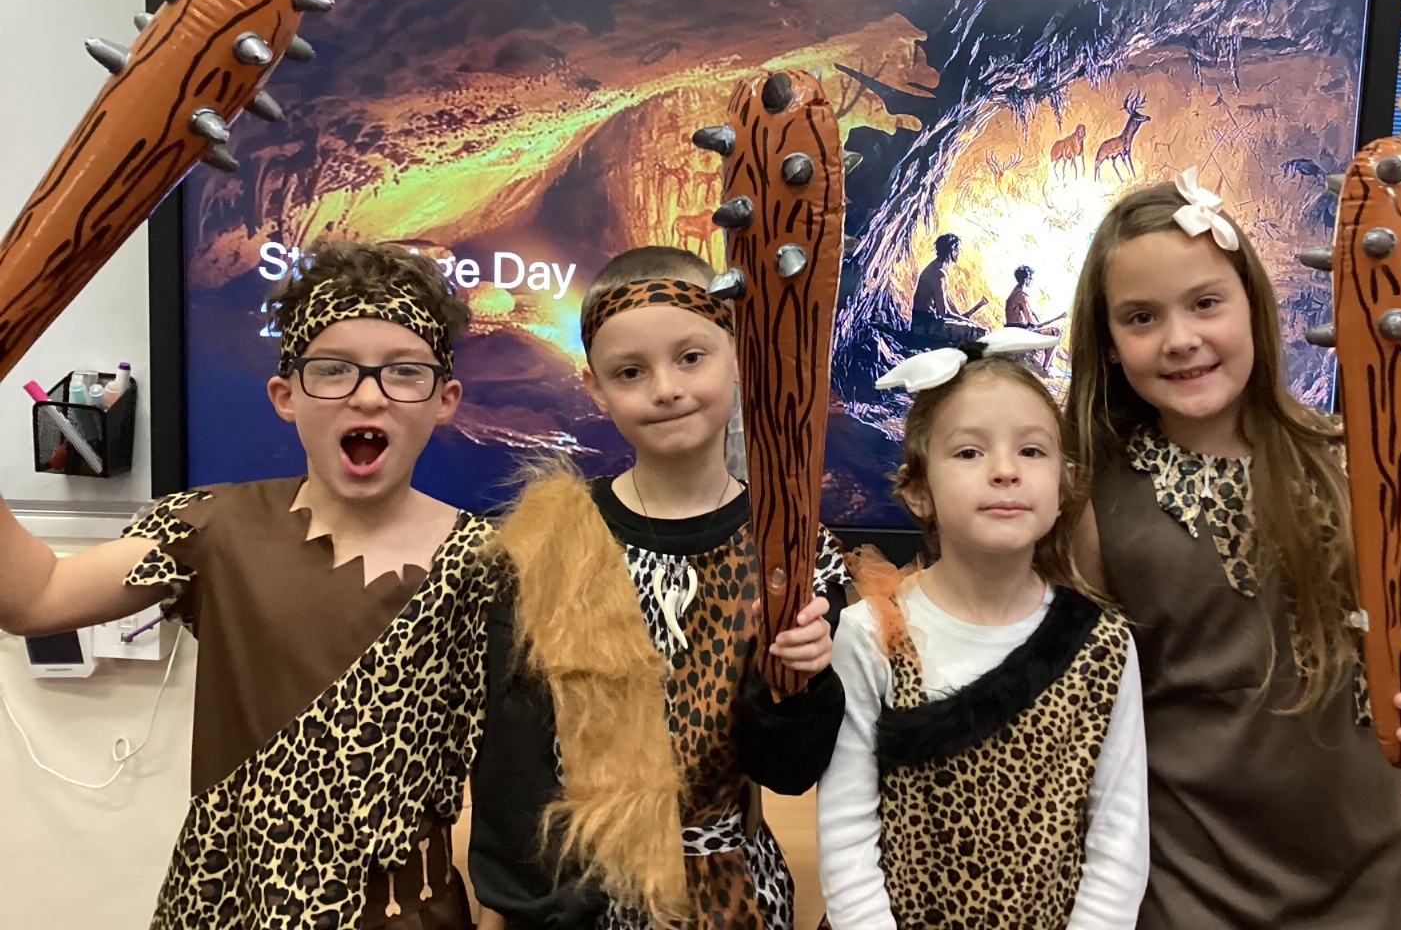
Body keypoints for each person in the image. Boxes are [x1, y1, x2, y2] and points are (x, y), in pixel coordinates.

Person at [0, 239, 492, 929]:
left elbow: (489, 781)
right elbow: (35, 596)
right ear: (285, 396)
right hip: (230, 907)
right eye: (333, 370)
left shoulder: (489, 562)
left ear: (445, 399)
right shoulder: (214, 530)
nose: (368, 396)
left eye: (403, 373)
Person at [1062, 170, 1401, 929]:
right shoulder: (1092, 502)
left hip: (1369, 885)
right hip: (1188, 892)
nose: (1181, 338)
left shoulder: (1356, 461)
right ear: (1110, 344)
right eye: (1141, 317)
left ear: (1254, 306)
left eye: (1205, 303)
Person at [470, 245, 850, 930]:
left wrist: (798, 683)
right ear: (595, 387)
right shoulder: (552, 540)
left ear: (740, 356)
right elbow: (514, 765)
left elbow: (789, 770)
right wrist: (534, 911)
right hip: (583, 896)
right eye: (630, 372)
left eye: (691, 357)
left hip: (737, 895)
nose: (666, 388)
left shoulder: (793, 551)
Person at [817, 332, 1147, 929]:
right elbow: (847, 829)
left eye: (1032, 451)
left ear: (1065, 483)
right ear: (919, 490)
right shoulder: (871, 635)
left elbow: (1119, 836)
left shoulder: (1103, 645)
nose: (1004, 471)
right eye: (969, 452)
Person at [910, 233, 988, 342]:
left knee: (976, 329)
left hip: (925, 324)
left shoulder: (936, 268)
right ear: (953, 251)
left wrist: (963, 319)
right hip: (924, 327)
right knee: (982, 333)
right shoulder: (938, 274)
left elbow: (948, 305)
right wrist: (969, 322)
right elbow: (944, 313)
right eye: (958, 250)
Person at [1005, 263, 1064, 369]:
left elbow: (1031, 316)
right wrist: (1056, 318)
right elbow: (1032, 322)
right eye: (1031, 278)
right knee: (1056, 331)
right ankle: (1045, 368)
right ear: (1027, 279)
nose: (1032, 281)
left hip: (1016, 330)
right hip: (1019, 333)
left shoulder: (1016, 291)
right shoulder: (1022, 295)